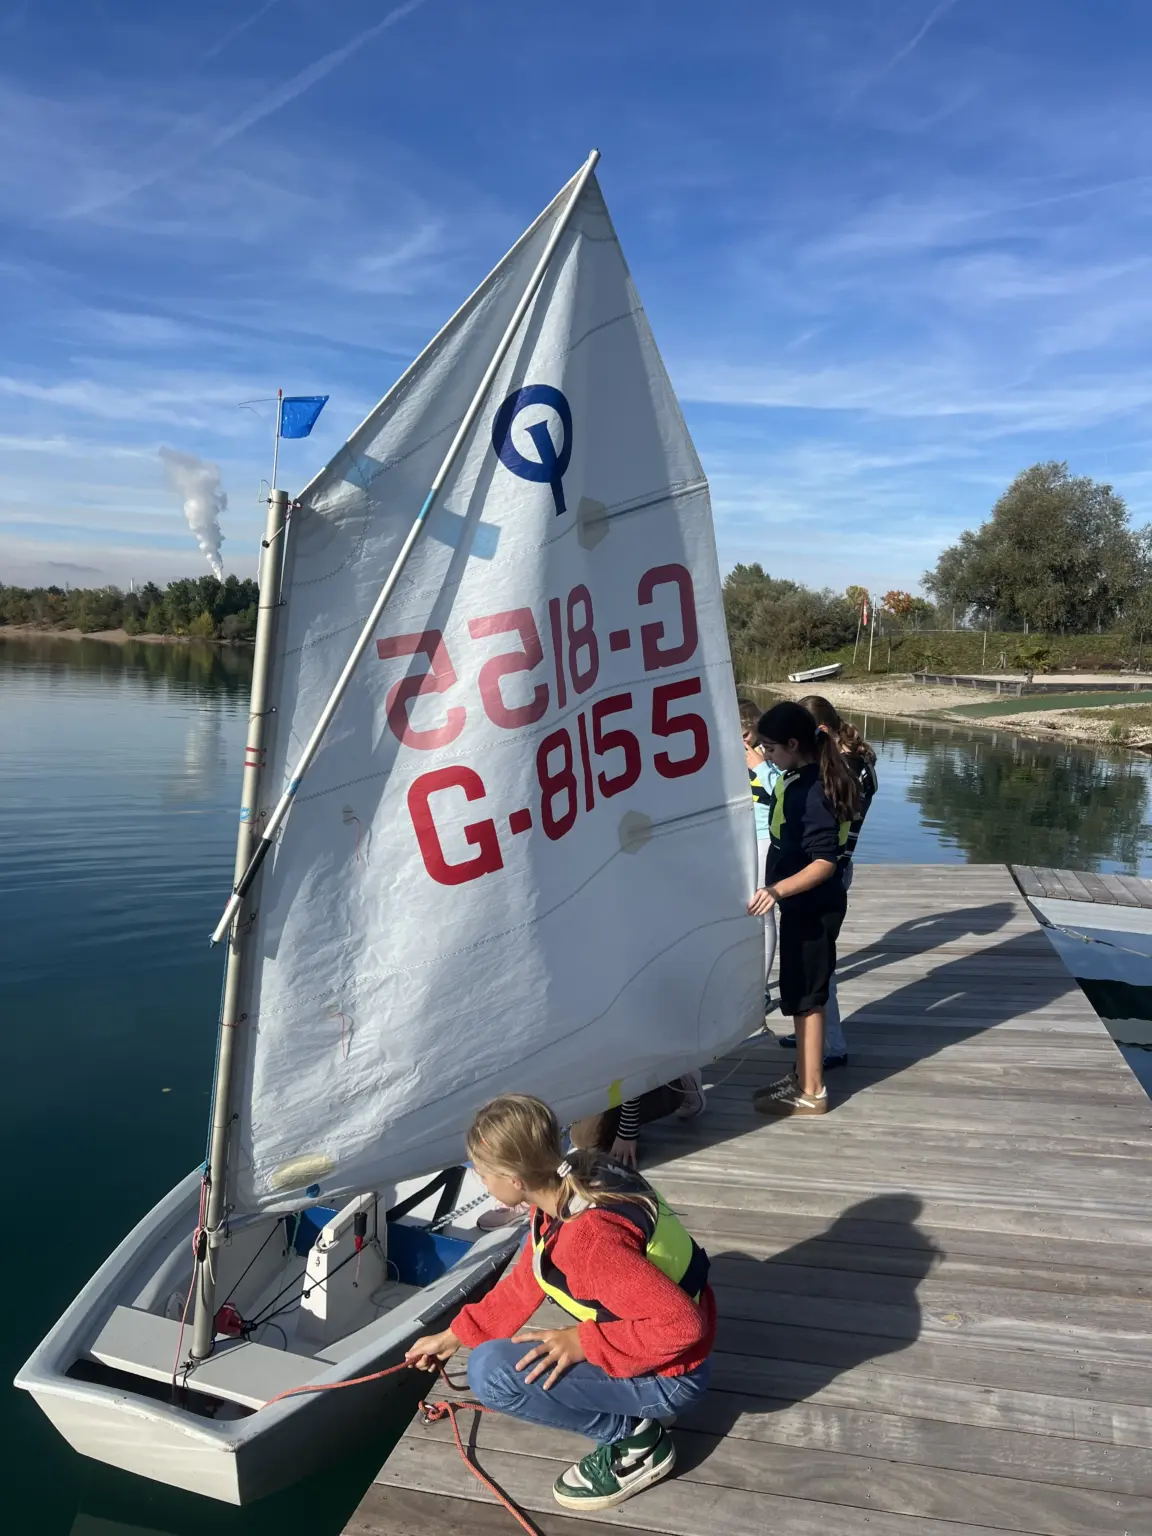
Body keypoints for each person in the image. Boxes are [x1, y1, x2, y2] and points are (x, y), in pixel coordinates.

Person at [406, 1094, 714, 1512]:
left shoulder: (588, 1242)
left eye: (482, 1173)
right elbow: (529, 1278)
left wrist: (584, 1343)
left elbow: (683, 1327)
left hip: (674, 1374)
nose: (481, 1181)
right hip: (662, 1356)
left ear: (515, 1179)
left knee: (491, 1373)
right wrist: (454, 1335)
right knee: (487, 1358)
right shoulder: (580, 1177)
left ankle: (635, 1442)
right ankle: (635, 1406)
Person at [746, 701, 859, 1116]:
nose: (766, 757)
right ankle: (801, 1073)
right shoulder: (802, 776)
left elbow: (825, 863)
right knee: (798, 993)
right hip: (803, 908)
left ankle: (813, 1091)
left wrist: (776, 891)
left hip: (811, 909)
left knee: (809, 998)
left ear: (794, 744)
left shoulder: (813, 791)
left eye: (770, 749)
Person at [775, 695, 879, 1068]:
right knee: (820, 967)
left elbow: (826, 830)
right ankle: (814, 1034)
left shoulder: (839, 769)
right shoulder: (860, 759)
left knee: (818, 970)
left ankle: (828, 1044)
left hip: (826, 872)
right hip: (841, 864)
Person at [739, 697, 780, 1014]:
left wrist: (762, 766)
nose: (741, 743)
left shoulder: (772, 754)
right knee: (738, 909)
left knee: (761, 909)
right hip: (736, 839)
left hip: (765, 839)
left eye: (744, 736)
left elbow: (786, 790)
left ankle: (760, 990)